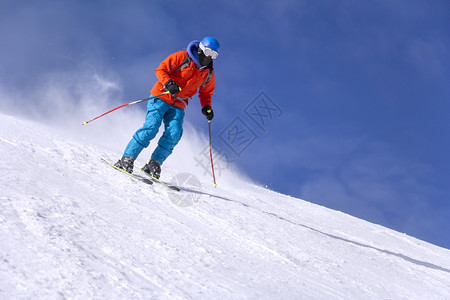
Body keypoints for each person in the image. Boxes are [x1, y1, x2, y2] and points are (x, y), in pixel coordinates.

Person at [114, 37, 220, 179]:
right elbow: (161, 69)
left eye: (213, 55)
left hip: (179, 104)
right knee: (151, 127)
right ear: (200, 48)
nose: (208, 57)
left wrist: (207, 107)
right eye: (207, 52)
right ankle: (127, 158)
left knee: (174, 133)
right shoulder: (183, 57)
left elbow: (206, 93)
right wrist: (169, 82)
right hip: (162, 95)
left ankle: (154, 163)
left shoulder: (208, 73)